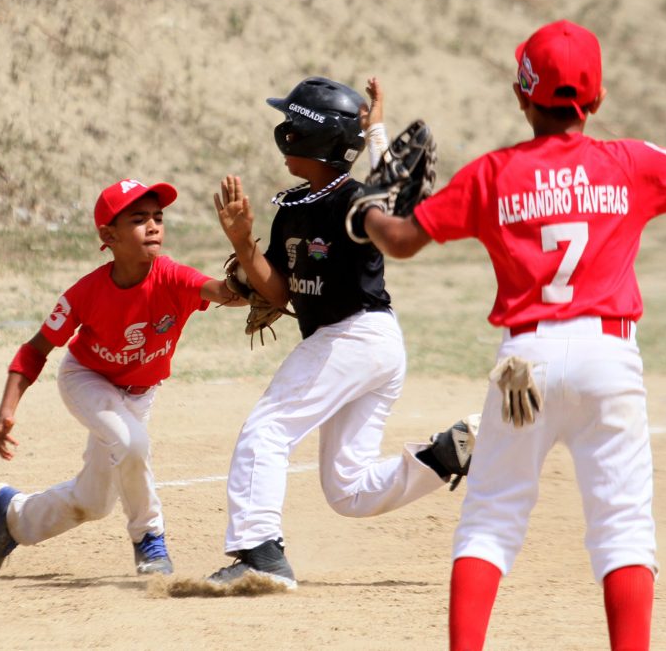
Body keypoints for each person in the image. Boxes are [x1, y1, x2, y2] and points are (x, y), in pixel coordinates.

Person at [360, 22, 666, 649]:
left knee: (490, 520)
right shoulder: (631, 163)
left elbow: (399, 241)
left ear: (522, 95)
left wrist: (371, 210)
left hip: (525, 363)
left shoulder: (494, 173)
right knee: (621, 527)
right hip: (608, 357)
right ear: (596, 101)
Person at [206, 76, 480, 590]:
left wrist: (376, 131)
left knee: (266, 429)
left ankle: (259, 551)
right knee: (348, 490)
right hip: (364, 345)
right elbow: (278, 292)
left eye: (292, 122)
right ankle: (450, 452)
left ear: (312, 138)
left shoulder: (356, 202)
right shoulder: (291, 207)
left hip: (352, 335)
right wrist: (244, 244)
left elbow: (391, 193)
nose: (283, 129)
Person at [0, 178, 245, 579]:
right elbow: (35, 349)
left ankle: (13, 517)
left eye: (158, 217)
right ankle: (149, 539)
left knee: (94, 501)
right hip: (88, 380)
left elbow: (224, 292)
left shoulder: (172, 277)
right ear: (107, 235)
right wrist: (7, 410)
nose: (153, 226)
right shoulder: (87, 292)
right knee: (133, 444)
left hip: (140, 393)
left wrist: (245, 249)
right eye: (138, 219)